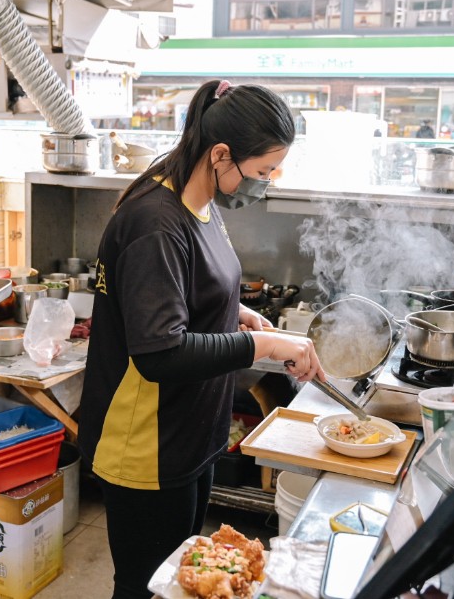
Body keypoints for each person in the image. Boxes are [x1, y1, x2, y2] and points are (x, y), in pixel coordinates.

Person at [77, 79, 326, 599]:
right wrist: (269, 347)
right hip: (146, 445)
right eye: (260, 172)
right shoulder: (155, 222)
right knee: (148, 587)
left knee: (184, 580)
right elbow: (160, 351)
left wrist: (237, 312)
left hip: (191, 433)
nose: (265, 184)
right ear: (220, 154)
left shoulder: (201, 201)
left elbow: (189, 283)